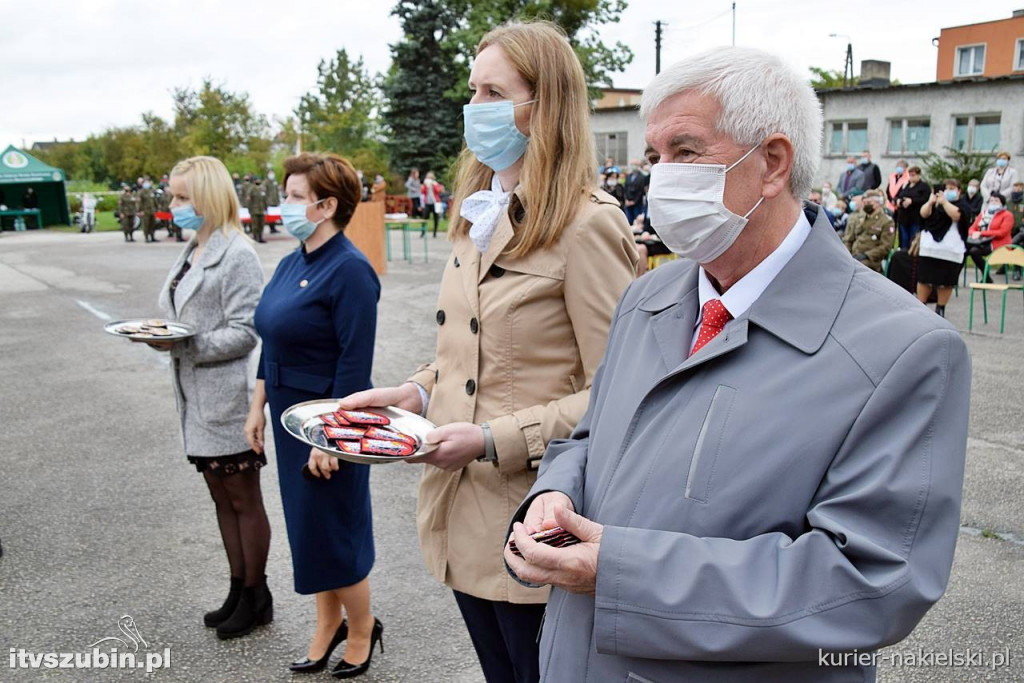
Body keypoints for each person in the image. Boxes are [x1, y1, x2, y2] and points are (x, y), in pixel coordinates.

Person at [503, 46, 971, 683]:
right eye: (655, 156)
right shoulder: (648, 295)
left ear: (772, 164)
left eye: (687, 152)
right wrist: (555, 490)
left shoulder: (903, 348)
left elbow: (870, 582)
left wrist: (622, 572)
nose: (661, 177)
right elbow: (592, 436)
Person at [338, 21, 637, 683]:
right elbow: (472, 351)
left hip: (535, 518)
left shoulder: (589, 226)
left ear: (543, 107)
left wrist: (490, 437)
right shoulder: (480, 211)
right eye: (473, 89)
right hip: (460, 507)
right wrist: (413, 393)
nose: (475, 105)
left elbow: (621, 395)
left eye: (494, 91)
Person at [247, 152, 382, 678]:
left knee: (335, 529)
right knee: (308, 530)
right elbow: (271, 337)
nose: (284, 205)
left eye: (294, 196)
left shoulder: (350, 270)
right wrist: (257, 405)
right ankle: (327, 624)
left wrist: (329, 440)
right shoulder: (291, 261)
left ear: (326, 205)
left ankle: (364, 626)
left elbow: (353, 367)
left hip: (325, 420)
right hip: (285, 415)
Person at [153, 155, 270, 639]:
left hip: (226, 399)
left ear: (207, 198)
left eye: (183, 197)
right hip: (195, 396)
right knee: (221, 499)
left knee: (243, 499)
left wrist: (184, 343)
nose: (174, 205)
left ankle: (257, 594)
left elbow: (246, 333)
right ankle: (236, 587)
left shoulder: (237, 253)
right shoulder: (192, 250)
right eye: (174, 196)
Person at [917, 179, 971, 317]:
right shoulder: (935, 204)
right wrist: (931, 201)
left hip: (951, 250)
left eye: (952, 188)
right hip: (930, 249)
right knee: (924, 279)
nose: (949, 191)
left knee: (946, 282)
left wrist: (945, 202)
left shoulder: (962, 205)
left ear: (959, 191)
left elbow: (957, 215)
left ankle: (940, 308)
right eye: (947, 188)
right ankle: (920, 306)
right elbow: (924, 214)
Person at [842, 190, 895, 272]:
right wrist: (846, 253)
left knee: (857, 267)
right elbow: (849, 239)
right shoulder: (859, 218)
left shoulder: (886, 221)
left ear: (877, 203)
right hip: (853, 255)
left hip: (870, 260)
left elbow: (885, 247)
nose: (865, 205)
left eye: (868, 202)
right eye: (864, 202)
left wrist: (866, 255)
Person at [966, 192, 1014, 281]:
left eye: (996, 201)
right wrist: (974, 233)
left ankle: (986, 277)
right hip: (982, 241)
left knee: (974, 251)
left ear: (1002, 203)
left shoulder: (1007, 215)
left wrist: (982, 233)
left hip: (998, 244)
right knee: (964, 248)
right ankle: (953, 279)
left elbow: (1002, 233)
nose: (993, 203)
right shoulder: (984, 213)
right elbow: (972, 228)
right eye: (991, 201)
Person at [893, 165, 930, 249]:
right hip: (903, 217)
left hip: (915, 218)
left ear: (918, 175)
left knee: (913, 238)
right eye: (910, 175)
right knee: (904, 239)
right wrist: (898, 201)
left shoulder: (924, 187)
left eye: (913, 175)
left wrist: (912, 201)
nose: (911, 177)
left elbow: (925, 199)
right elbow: (897, 196)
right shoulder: (905, 185)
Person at [623, 160, 649, 226]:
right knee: (628, 221)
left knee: (637, 221)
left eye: (635, 164)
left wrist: (634, 201)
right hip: (628, 202)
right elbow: (625, 188)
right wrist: (626, 200)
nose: (633, 166)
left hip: (637, 203)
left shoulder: (642, 177)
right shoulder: (628, 176)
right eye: (632, 164)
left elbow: (641, 191)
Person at [420, 171, 443, 237]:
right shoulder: (425, 185)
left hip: (435, 203)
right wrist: (423, 187)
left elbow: (438, 190)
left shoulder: (435, 184)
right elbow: (423, 192)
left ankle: (435, 233)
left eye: (430, 178)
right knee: (424, 217)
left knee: (436, 218)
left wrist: (433, 185)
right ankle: (423, 232)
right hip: (427, 203)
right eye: (428, 178)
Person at [248, 177, 268, 243]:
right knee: (255, 225)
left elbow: (265, 200)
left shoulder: (262, 189)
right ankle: (255, 237)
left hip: (261, 210)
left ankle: (260, 237)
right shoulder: (251, 189)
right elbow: (249, 201)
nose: (258, 181)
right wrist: (250, 210)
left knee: (261, 224)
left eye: (259, 180)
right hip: (254, 210)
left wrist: (266, 208)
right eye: (257, 180)